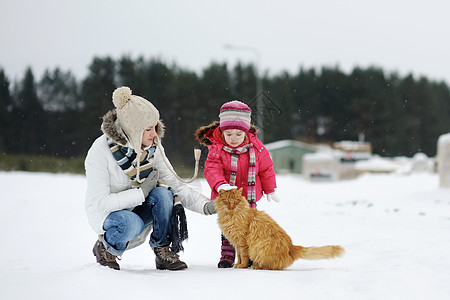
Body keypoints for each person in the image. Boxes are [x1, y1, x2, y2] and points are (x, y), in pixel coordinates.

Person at [85, 86, 216, 271]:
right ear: (133, 129)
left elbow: (174, 182)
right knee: (131, 223)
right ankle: (106, 248)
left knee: (164, 194)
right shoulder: (100, 151)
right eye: (148, 129)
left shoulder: (152, 147)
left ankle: (162, 249)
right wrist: (141, 193)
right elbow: (101, 203)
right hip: (107, 215)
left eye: (155, 127)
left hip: (135, 207)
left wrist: (206, 206)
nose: (154, 134)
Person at [195, 100, 280, 268]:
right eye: (229, 134)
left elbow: (266, 169)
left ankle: (248, 255)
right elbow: (212, 169)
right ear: (222, 131)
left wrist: (270, 189)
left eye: (238, 134)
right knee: (230, 227)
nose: (233, 139)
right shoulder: (217, 148)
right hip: (226, 197)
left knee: (249, 227)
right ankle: (227, 255)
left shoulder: (256, 148)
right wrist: (220, 184)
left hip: (249, 197)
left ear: (246, 132)